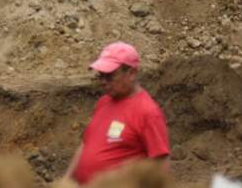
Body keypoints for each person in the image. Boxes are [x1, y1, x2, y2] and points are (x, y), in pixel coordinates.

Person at [63, 42, 170, 186]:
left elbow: (160, 164)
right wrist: (67, 179)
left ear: (131, 73)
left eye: (109, 76)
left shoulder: (147, 112)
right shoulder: (103, 102)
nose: (103, 82)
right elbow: (85, 145)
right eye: (101, 76)